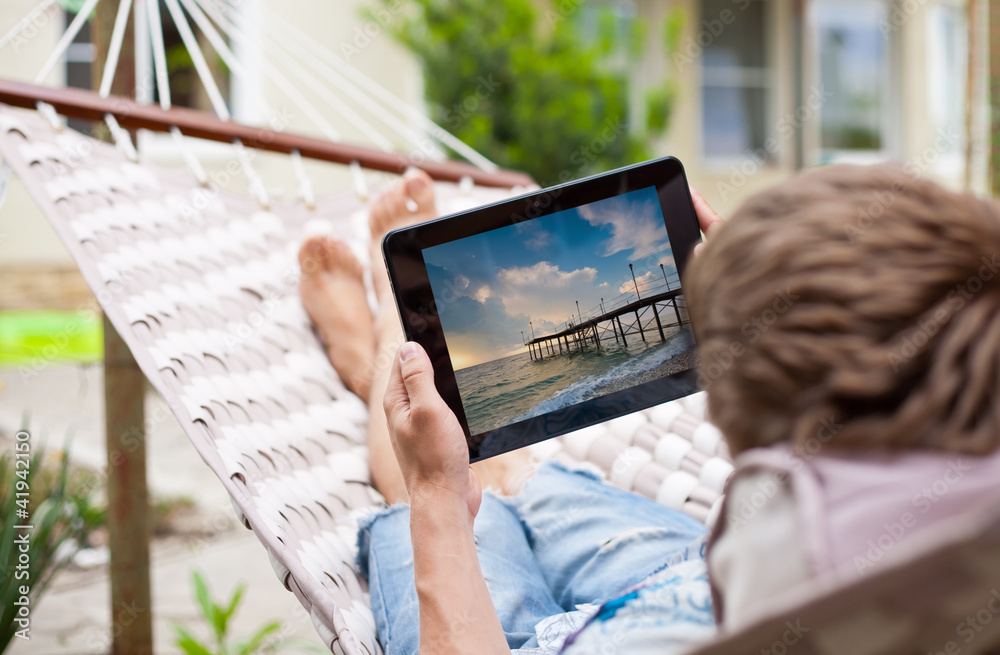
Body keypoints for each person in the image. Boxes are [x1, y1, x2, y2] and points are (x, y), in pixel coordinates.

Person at [298, 164, 1000, 655]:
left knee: (446, 487)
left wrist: (432, 493)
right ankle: (455, 429)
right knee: (522, 483)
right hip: (688, 583)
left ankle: (388, 346)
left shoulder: (789, 537)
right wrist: (765, 297)